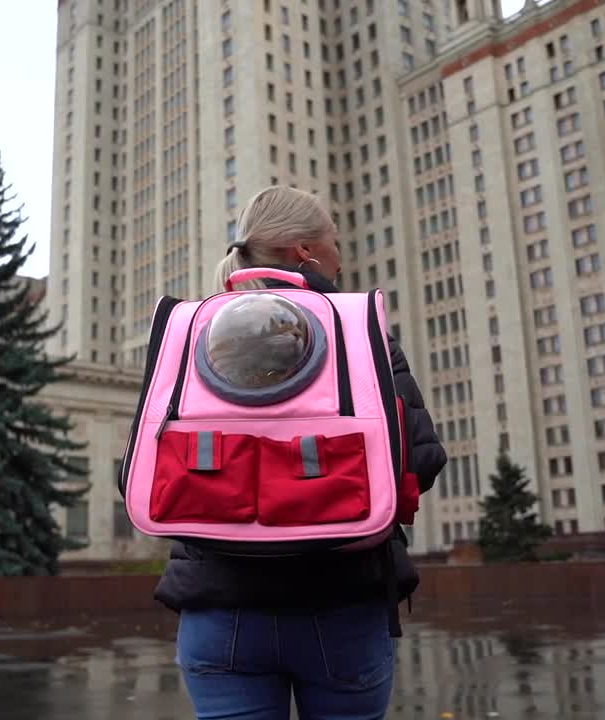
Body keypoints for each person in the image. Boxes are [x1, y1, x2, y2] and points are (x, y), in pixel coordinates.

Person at [154, 186, 447, 720]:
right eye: (335, 236)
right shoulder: (359, 332)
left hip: (219, 613)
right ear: (306, 253)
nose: (343, 250)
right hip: (340, 605)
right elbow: (420, 461)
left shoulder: (192, 333)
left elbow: (146, 464)